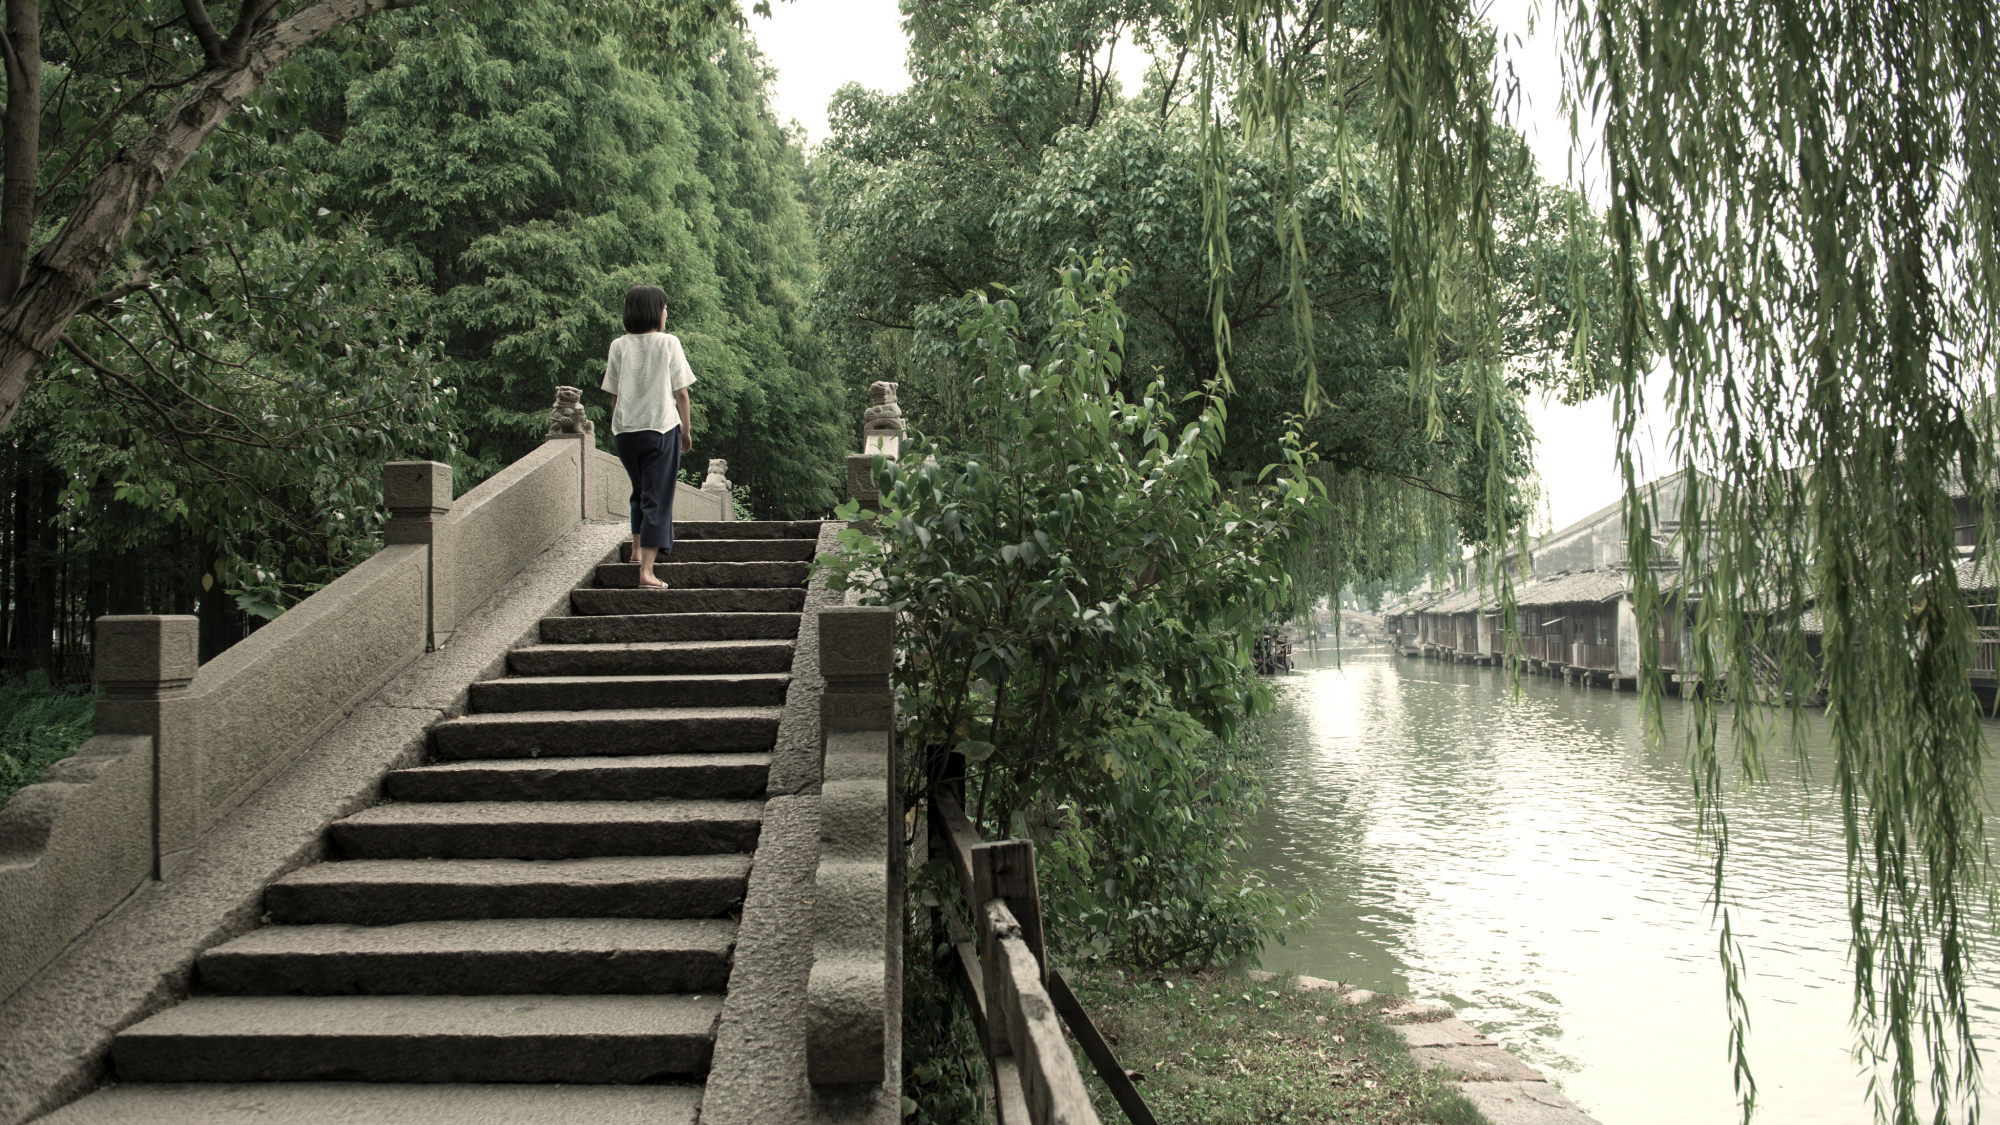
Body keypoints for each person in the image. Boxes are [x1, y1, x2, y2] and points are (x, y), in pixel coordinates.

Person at [602, 285, 696, 589]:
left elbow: (615, 397)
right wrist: (686, 429)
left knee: (640, 491)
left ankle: (634, 550)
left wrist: (618, 427)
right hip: (660, 428)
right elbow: (681, 392)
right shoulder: (668, 343)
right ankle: (647, 572)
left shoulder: (618, 345)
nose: (667, 313)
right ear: (655, 311)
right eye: (665, 307)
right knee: (657, 497)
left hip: (625, 432)